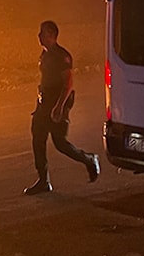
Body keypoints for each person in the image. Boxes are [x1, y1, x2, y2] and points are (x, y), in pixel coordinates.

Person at [24, 20, 100, 195]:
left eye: (42, 33)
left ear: (51, 34)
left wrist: (59, 107)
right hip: (43, 106)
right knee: (38, 140)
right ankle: (43, 181)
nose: (39, 36)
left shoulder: (62, 56)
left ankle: (89, 159)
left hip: (57, 105)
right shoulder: (45, 54)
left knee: (60, 143)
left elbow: (68, 83)